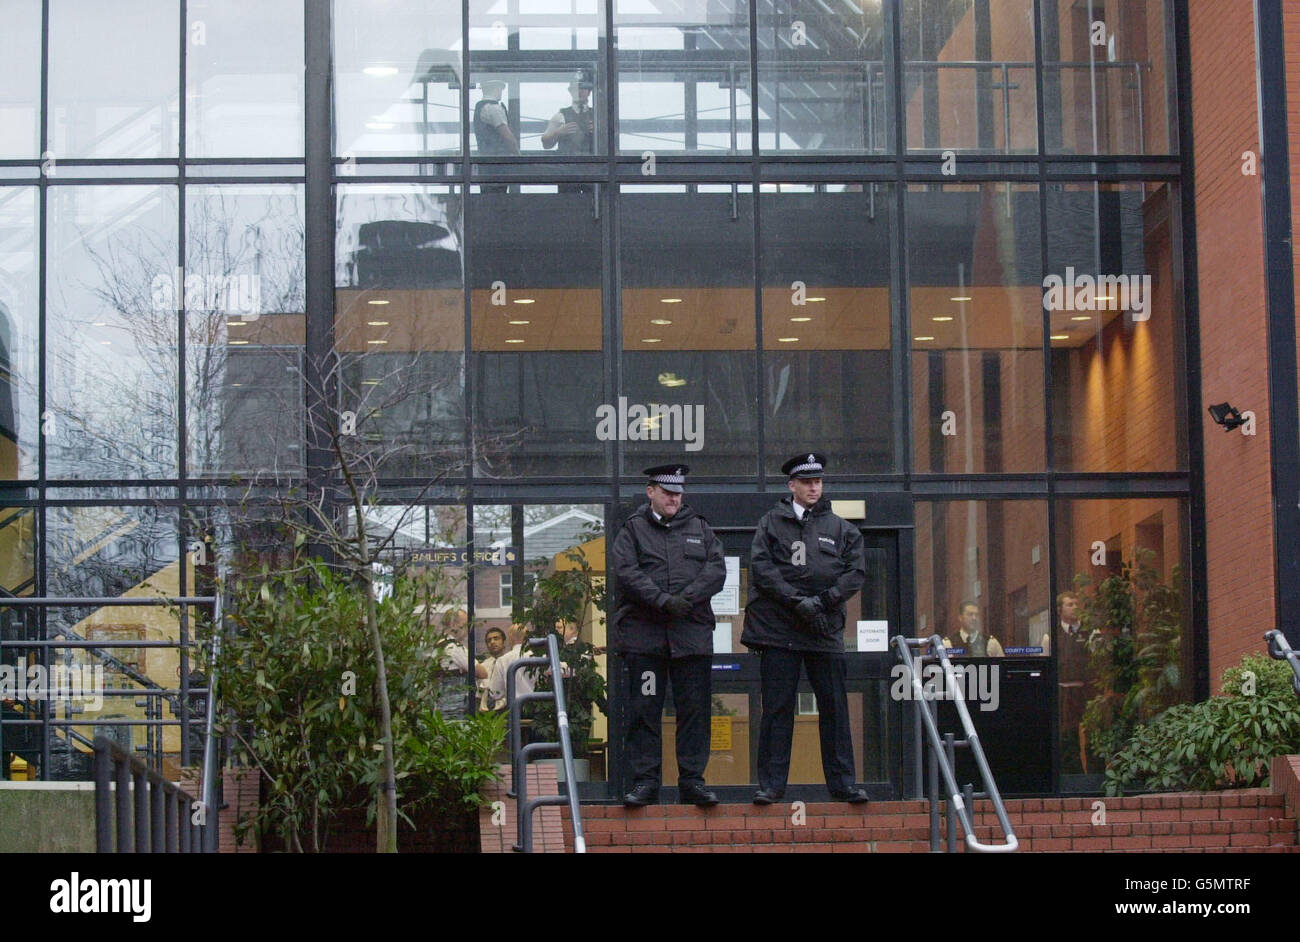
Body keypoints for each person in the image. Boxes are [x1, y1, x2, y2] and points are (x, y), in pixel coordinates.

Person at [741, 452, 869, 805]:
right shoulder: (770, 523)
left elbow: (855, 573)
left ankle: (843, 785)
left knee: (835, 709)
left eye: (818, 481)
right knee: (778, 710)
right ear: (792, 485)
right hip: (779, 632)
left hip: (824, 631)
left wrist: (823, 601)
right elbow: (762, 569)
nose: (814, 487)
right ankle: (771, 786)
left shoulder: (842, 529)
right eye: (807, 482)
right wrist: (797, 601)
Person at [611, 464, 726, 808]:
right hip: (645, 641)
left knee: (694, 713)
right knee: (644, 712)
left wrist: (685, 600)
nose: (674, 498)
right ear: (651, 492)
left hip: (691, 639)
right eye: (667, 492)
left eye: (678, 492)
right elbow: (627, 572)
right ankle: (645, 782)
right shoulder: (631, 530)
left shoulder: (700, 528)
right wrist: (662, 601)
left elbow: (716, 569)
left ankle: (692, 782)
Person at [541, 70, 596, 193]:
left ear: (589, 91)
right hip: (568, 173)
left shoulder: (598, 116)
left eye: (583, 88)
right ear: (570, 92)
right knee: (568, 207)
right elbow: (545, 143)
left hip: (592, 172)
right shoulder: (560, 115)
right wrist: (558, 132)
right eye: (576, 88)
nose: (580, 92)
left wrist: (599, 133)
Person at [478, 625, 508, 711]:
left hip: (506, 710)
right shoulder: (482, 667)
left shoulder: (510, 663)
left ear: (504, 642)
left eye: (496, 638)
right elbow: (478, 694)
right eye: (489, 640)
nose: (492, 642)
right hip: (485, 713)